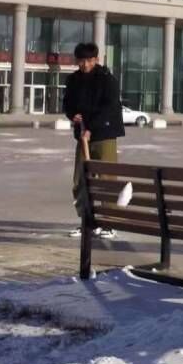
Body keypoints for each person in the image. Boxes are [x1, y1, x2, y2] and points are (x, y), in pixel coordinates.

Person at [64, 42, 125, 239]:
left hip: (104, 135)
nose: (85, 65)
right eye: (81, 61)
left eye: (89, 61)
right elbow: (68, 103)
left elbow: (110, 107)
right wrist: (72, 115)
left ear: (96, 60)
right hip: (83, 137)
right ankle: (87, 221)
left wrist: (91, 128)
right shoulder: (73, 80)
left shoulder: (107, 79)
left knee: (106, 179)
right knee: (80, 180)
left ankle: (109, 222)